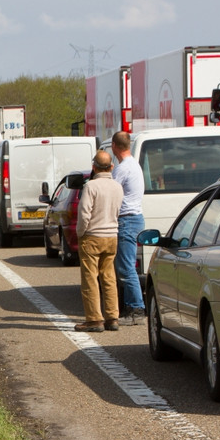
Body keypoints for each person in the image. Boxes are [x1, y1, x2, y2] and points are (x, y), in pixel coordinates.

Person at [74, 151, 124, 332]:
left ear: (94, 167)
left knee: (90, 278)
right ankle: (112, 317)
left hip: (92, 236)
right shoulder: (118, 186)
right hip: (111, 236)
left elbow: (84, 212)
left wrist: (80, 233)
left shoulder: (91, 186)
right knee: (109, 278)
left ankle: (94, 319)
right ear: (111, 167)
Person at [110, 131, 146, 325]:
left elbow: (111, 192)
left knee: (126, 267)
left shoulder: (122, 169)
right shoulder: (134, 165)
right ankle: (132, 307)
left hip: (127, 220)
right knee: (127, 265)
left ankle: (136, 309)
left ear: (115, 146)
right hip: (134, 218)